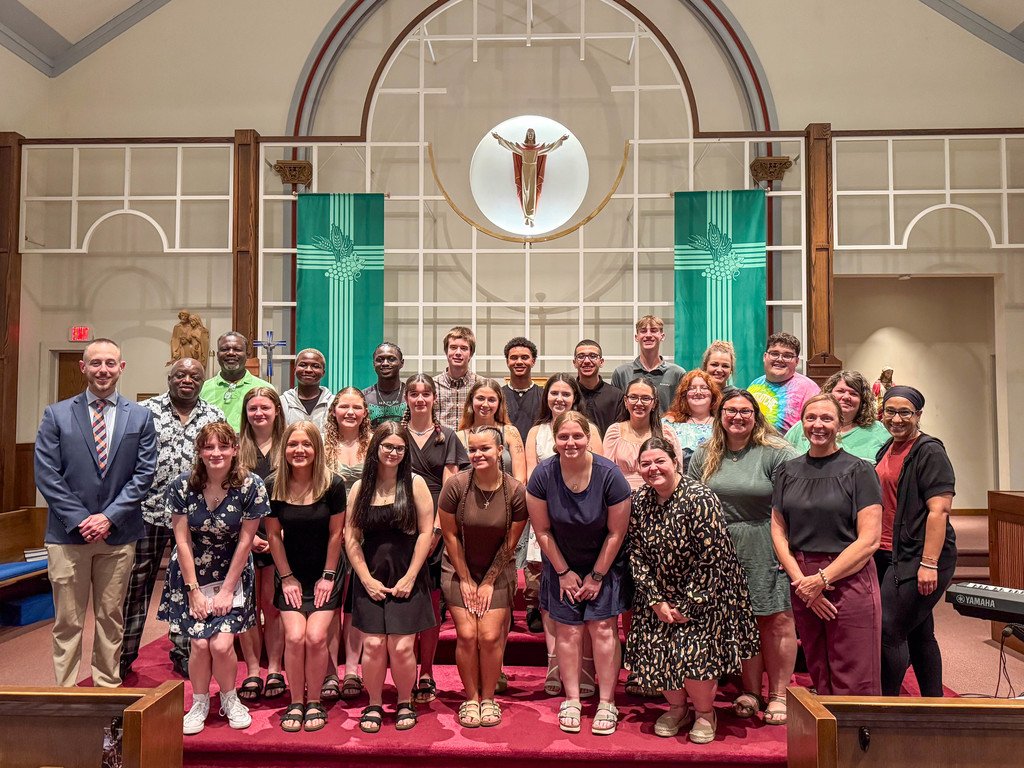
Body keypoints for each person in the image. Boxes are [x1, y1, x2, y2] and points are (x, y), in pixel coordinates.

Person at [34, 338, 158, 688]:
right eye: (96, 363)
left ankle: (106, 688)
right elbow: (47, 474)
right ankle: (65, 693)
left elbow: (144, 474)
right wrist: (80, 519)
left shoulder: (140, 416)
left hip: (118, 535)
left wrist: (108, 517)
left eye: (110, 363)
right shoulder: (57, 414)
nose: (103, 370)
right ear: (83, 367)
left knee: (110, 617)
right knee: (67, 621)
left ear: (121, 367)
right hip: (67, 536)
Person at [628, 437, 760, 744]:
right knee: (660, 653)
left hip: (704, 594)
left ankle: (704, 713)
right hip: (659, 595)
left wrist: (690, 605)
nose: (653, 468)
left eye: (660, 461)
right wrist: (655, 600)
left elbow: (713, 555)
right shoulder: (640, 500)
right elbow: (634, 552)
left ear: (675, 462)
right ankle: (677, 709)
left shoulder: (699, 496)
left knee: (696, 656)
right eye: (645, 464)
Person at [688, 388, 798, 726]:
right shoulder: (705, 453)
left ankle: (779, 694)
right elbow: (689, 500)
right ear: (720, 415)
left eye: (745, 411)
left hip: (765, 540)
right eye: (731, 410)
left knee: (775, 618)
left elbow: (795, 502)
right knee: (742, 621)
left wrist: (788, 549)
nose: (738, 417)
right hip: (717, 546)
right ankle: (751, 690)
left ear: (755, 416)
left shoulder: (777, 452)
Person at [158, 421, 270, 734]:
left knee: (221, 645)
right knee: (198, 644)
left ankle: (230, 698)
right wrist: (193, 591)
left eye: (223, 446)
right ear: (199, 451)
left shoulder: (251, 485)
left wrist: (227, 591)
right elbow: (182, 541)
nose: (216, 453)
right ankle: (200, 702)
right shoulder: (182, 485)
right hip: (191, 572)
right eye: (208, 447)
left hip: (232, 569)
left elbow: (246, 542)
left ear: (235, 449)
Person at [526, 411, 631, 736]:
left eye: (577, 436)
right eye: (563, 437)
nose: (570, 442)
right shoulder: (543, 474)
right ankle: (571, 699)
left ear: (588, 438)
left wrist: (597, 576)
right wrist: (563, 572)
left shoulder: (610, 474)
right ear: (555, 440)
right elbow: (542, 531)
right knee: (568, 631)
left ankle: (607, 701)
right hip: (562, 565)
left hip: (604, 563)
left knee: (603, 630)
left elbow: (617, 532)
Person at [770, 394, 883, 696]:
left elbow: (869, 539)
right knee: (818, 664)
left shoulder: (860, 470)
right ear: (802, 423)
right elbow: (778, 531)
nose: (818, 425)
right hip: (802, 578)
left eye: (826, 418)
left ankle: (855, 727)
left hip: (848, 577)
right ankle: (825, 727)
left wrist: (822, 580)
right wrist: (802, 582)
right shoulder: (787, 471)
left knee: (854, 672)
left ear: (840, 424)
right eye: (811, 418)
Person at [120, 358, 223, 681]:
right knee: (136, 584)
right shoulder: (144, 412)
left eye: (194, 376)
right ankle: (123, 654)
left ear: (202, 382)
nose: (187, 380)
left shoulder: (213, 416)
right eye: (180, 374)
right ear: (169, 378)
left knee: (188, 584)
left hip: (194, 516)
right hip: (147, 511)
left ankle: (184, 651)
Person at [345, 423, 437, 733]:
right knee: (372, 645)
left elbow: (426, 533)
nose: (394, 452)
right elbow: (351, 538)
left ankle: (404, 701)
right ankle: (373, 702)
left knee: (400, 647)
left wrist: (411, 576)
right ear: (376, 448)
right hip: (370, 576)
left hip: (407, 574)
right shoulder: (360, 488)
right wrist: (365, 579)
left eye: (400, 447)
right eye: (388, 446)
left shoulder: (415, 483)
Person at [439, 426, 529, 728]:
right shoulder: (455, 486)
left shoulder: (515, 491)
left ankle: (488, 698)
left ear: (500, 450)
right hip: (458, 568)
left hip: (498, 569)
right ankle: (471, 698)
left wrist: (488, 581)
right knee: (467, 635)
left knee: (489, 637)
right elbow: (450, 536)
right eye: (473, 449)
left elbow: (510, 543)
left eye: (485, 449)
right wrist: (466, 580)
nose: (477, 454)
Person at [265, 421, 347, 732]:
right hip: (291, 573)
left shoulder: (333, 484)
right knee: (295, 637)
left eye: (306, 444)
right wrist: (286, 577)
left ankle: (314, 701)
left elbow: (336, 533)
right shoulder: (273, 485)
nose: (299, 450)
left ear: (316, 448)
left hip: (326, 572)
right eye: (292, 444)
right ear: (284, 448)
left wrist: (328, 576)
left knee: (315, 637)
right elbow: (274, 536)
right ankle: (295, 701)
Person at [875, 386, 956, 697]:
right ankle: (934, 701)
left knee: (890, 629)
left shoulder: (930, 451)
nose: (896, 419)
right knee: (920, 631)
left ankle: (888, 705)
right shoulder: (888, 447)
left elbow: (939, 511)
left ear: (918, 415)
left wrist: (929, 563)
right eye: (890, 411)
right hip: (888, 551)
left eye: (905, 412)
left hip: (920, 555)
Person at [401, 373, 469, 703]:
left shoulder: (448, 437)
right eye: (414, 393)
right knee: (401, 599)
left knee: (430, 603)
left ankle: (426, 670)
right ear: (406, 399)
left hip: (436, 528)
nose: (420, 399)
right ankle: (404, 670)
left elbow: (451, 490)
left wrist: (437, 532)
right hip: (399, 525)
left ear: (434, 399)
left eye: (426, 393)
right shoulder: (396, 434)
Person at [525, 374, 603, 646]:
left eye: (566, 394)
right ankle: (554, 656)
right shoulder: (536, 431)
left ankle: (582, 655)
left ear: (575, 398)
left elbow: (599, 473)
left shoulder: (590, 429)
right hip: (546, 513)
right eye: (554, 393)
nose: (559, 399)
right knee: (548, 581)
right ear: (546, 397)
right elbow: (531, 477)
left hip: (584, 517)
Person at [236, 386, 287, 701]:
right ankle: (253, 671)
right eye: (253, 408)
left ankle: (275, 668)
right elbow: (229, 498)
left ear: (276, 411)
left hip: (281, 537)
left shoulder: (289, 444)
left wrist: (279, 536)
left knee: (273, 605)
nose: (259, 413)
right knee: (248, 607)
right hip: (244, 537)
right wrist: (250, 536)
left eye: (265, 408)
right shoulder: (236, 448)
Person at [323, 386, 373, 700]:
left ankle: (352, 669)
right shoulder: (321, 444)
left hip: (365, 533)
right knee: (329, 603)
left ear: (365, 412)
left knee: (355, 603)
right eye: (344, 407)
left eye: (356, 407)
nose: (350, 412)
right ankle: (330, 671)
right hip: (327, 532)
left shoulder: (374, 443)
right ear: (334, 411)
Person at [785, 370, 890, 462]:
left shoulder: (878, 431)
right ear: (828, 394)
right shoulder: (803, 427)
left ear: (863, 401)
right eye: (840, 391)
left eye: (853, 394)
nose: (846, 397)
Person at [603, 377, 683, 491]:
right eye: (633, 397)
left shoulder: (667, 433)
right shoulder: (614, 432)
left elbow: (677, 472)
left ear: (654, 403)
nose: (639, 403)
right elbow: (606, 473)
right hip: (622, 495)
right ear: (625, 401)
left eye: (645, 398)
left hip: (659, 496)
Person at [456, 378, 527, 483]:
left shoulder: (511, 433)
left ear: (499, 403)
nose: (485, 404)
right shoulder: (459, 437)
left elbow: (520, 479)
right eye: (480, 398)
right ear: (471, 400)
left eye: (491, 400)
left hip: (507, 492)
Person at [747, 332, 820, 434]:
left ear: (797, 361)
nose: (780, 359)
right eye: (774, 354)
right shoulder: (755, 384)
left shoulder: (808, 389)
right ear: (765, 356)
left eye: (787, 356)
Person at [610, 315, 684, 413]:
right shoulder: (621, 373)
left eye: (653, 330)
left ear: (662, 336)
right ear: (636, 337)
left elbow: (683, 410)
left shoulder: (677, 373)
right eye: (643, 331)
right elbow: (615, 411)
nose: (648, 335)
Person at [199, 331, 268, 432]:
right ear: (217, 355)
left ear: (247, 354)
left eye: (237, 349)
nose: (231, 353)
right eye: (225, 349)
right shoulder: (202, 388)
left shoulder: (264, 388)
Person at [662, 369, 722, 471]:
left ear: (713, 394)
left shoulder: (723, 425)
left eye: (704, 388)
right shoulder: (670, 424)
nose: (698, 392)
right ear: (684, 395)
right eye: (692, 388)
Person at [572, 339, 624, 437]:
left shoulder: (616, 396)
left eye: (593, 356)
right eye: (581, 356)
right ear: (574, 362)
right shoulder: (569, 394)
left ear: (601, 362)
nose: (587, 361)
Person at [435, 326, 479, 430]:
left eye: (464, 348)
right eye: (453, 347)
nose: (458, 353)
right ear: (446, 351)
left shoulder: (481, 385)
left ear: (471, 354)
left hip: (472, 440)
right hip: (440, 440)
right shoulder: (432, 385)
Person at [501, 337, 543, 444]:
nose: (519, 362)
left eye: (524, 357)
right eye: (514, 358)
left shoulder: (544, 396)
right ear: (507, 362)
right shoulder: (498, 396)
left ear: (533, 361)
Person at [280, 348, 332, 431]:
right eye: (303, 365)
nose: (308, 370)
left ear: (323, 373)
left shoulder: (333, 403)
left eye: (315, 366)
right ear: (294, 370)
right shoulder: (282, 403)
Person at [362, 342, 407, 428]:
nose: (385, 363)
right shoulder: (363, 397)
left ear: (401, 363)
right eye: (380, 360)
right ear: (374, 364)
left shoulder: (412, 395)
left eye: (391, 359)